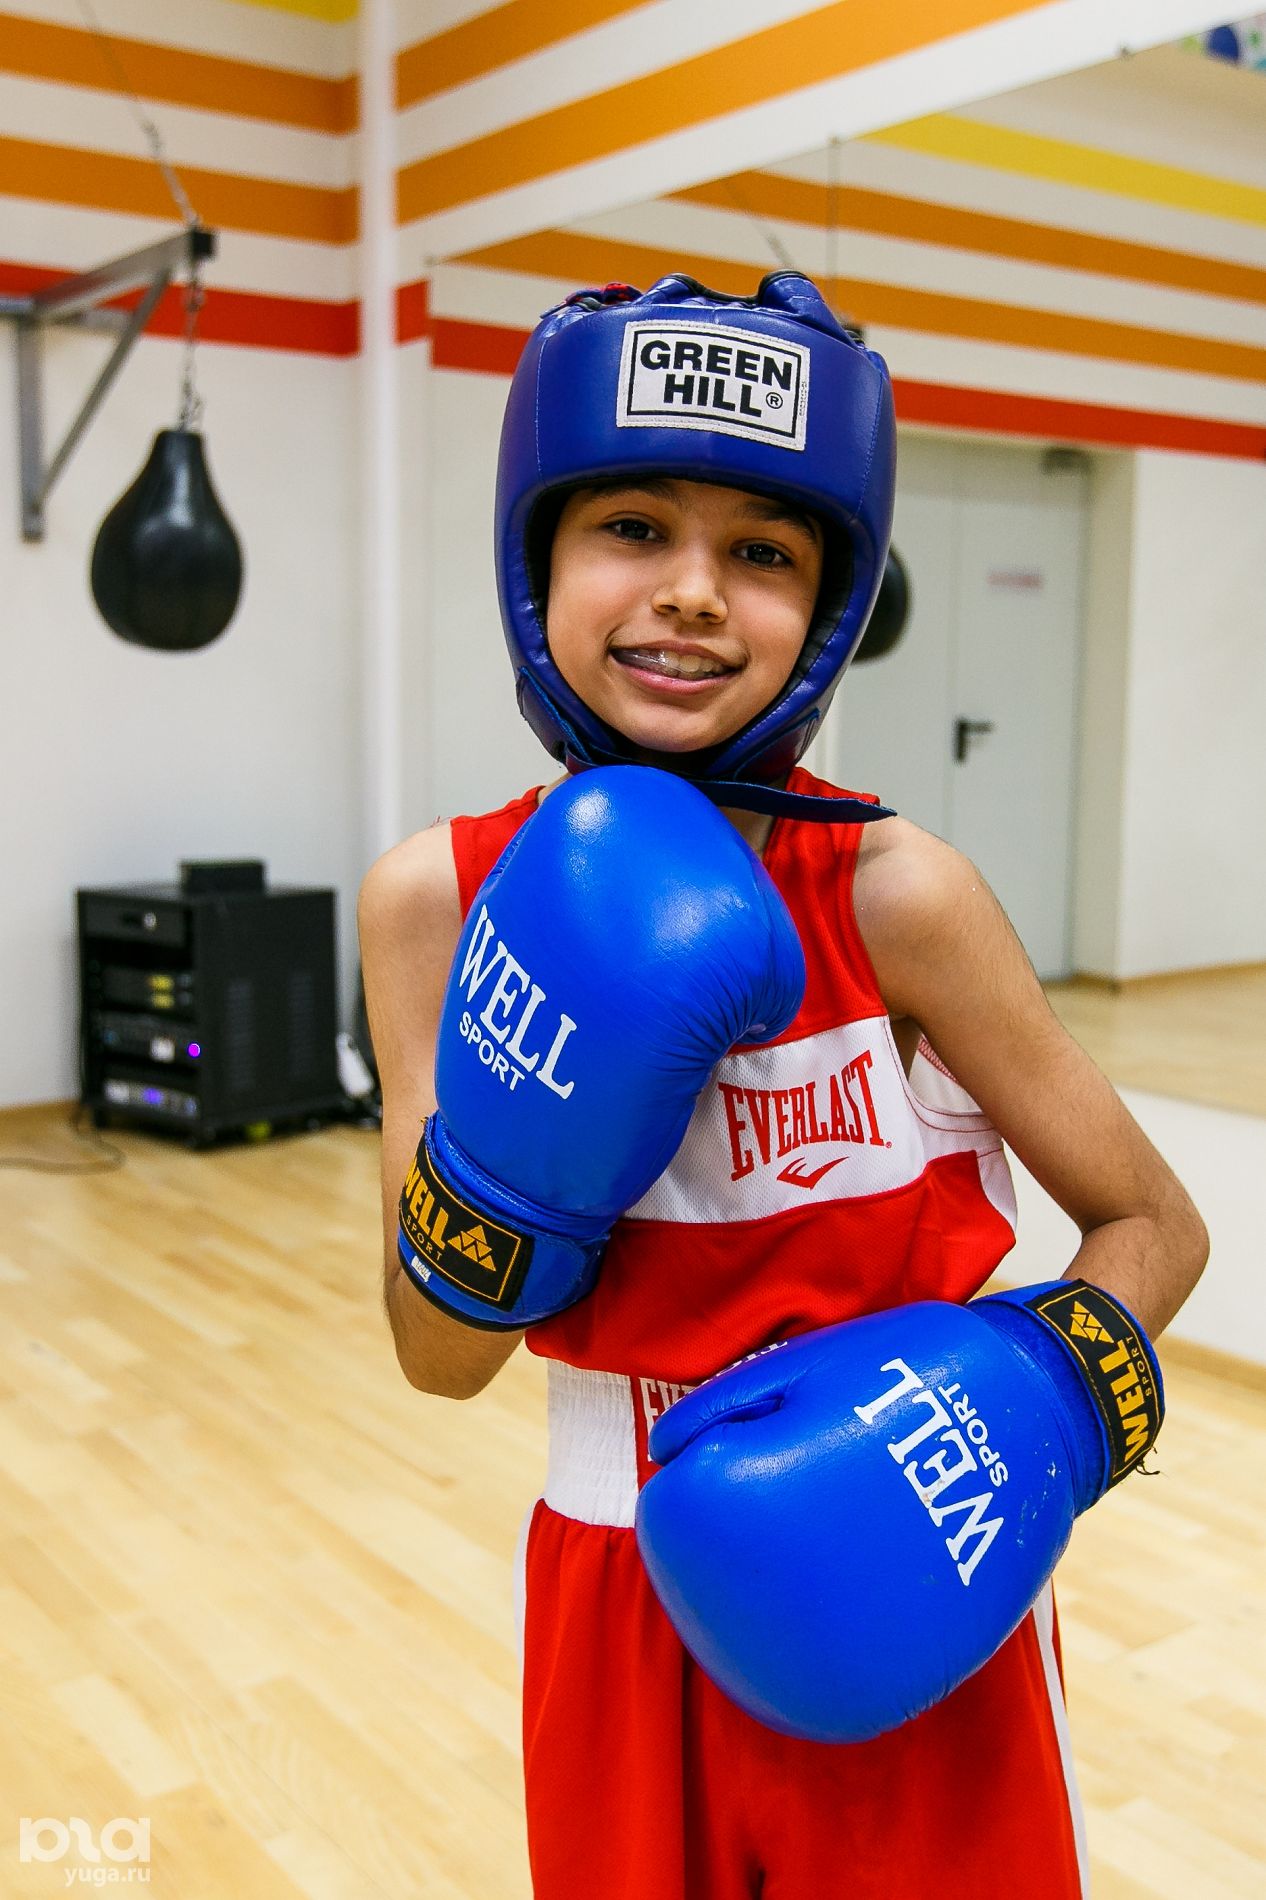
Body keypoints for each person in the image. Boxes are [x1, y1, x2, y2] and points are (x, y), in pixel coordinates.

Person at [358, 272, 1208, 1900]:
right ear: (536, 560)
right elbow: (435, 1357)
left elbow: (1151, 1224)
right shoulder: (434, 903)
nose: (690, 594)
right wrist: (521, 1163)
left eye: (762, 553)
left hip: (908, 1565)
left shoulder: (899, 897)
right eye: (631, 527)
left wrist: (1014, 1412)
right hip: (612, 1580)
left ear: (825, 606)